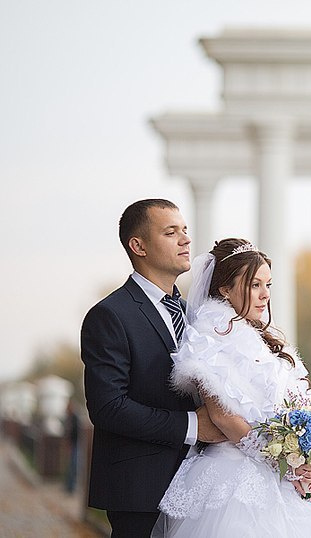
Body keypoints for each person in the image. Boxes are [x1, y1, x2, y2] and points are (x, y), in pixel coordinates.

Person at [152, 238, 311, 537]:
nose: (265, 295)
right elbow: (223, 417)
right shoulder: (207, 339)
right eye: (255, 285)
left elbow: (296, 405)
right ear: (224, 289)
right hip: (234, 474)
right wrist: (281, 460)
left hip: (283, 471)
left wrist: (302, 459)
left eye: (269, 285)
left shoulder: (268, 340)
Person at [81, 199, 226, 537]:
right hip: (141, 492)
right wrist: (193, 426)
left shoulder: (196, 316)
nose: (186, 240)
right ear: (139, 245)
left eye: (185, 231)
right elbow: (107, 408)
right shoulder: (110, 315)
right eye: (171, 232)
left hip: (203, 488)